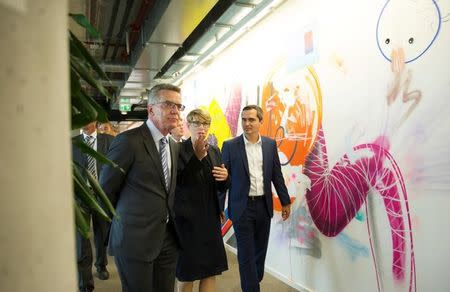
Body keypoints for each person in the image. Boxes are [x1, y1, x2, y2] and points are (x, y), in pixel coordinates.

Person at [99, 83, 184, 292]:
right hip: (134, 241)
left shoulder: (172, 145)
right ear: (151, 109)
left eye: (179, 106)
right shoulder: (128, 141)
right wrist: (121, 228)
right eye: (168, 104)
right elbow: (106, 189)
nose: (175, 110)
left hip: (167, 240)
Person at [221, 105, 292, 292]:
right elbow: (222, 179)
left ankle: (254, 279)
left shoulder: (269, 145)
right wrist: (219, 206)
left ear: (261, 121)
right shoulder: (230, 146)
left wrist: (285, 201)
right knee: (245, 255)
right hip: (241, 208)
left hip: (263, 206)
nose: (247, 123)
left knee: (260, 252)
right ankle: (252, 287)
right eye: (244, 119)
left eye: (251, 119)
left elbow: (276, 174)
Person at [174, 109, 229, 292]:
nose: (201, 128)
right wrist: (196, 158)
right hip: (187, 221)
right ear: (188, 126)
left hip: (210, 219)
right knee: (187, 272)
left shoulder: (213, 150)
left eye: (205, 124)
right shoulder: (178, 150)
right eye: (197, 124)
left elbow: (220, 187)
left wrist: (226, 178)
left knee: (209, 271)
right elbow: (180, 183)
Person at [72, 121, 114, 292]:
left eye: (87, 119)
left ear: (95, 122)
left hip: (102, 195)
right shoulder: (73, 142)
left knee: (101, 233)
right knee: (82, 239)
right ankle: (85, 282)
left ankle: (101, 265)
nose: (84, 123)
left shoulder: (108, 141)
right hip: (82, 196)